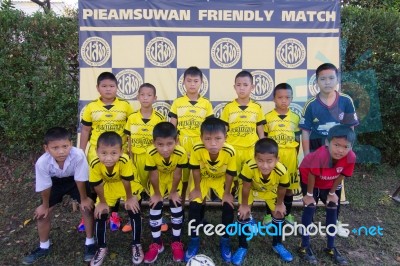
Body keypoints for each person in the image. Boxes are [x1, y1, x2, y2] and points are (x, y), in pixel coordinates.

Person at [299, 63, 359, 237]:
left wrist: (347, 152)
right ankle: (307, 224)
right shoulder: (311, 104)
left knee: (335, 187)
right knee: (312, 187)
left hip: (339, 151)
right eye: (322, 79)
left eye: (331, 78)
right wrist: (308, 155)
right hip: (318, 149)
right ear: (316, 81)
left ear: (337, 79)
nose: (327, 82)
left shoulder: (346, 101)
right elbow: (305, 131)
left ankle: (335, 222)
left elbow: (351, 129)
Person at [22, 127, 95, 265]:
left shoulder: (78, 154)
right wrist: (45, 206)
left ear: (71, 144)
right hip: (54, 182)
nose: (61, 151)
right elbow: (45, 185)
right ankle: (44, 246)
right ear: (46, 148)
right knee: (43, 214)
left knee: (86, 208)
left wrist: (84, 199)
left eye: (65, 146)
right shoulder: (42, 162)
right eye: (55, 148)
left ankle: (90, 242)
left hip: (75, 180)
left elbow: (80, 178)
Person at [79, 71, 134, 232]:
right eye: (104, 86)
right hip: (97, 153)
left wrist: (129, 150)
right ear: (97, 88)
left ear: (117, 88)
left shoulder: (125, 106)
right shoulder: (91, 107)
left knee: (115, 182)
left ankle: (114, 214)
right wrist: (81, 152)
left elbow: (131, 129)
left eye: (111, 86)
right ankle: (87, 216)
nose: (108, 89)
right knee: (95, 184)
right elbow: (85, 130)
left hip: (118, 152)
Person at [298, 124, 356, 265]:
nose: (340, 150)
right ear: (327, 143)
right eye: (336, 145)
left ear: (351, 147)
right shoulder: (321, 154)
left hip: (329, 181)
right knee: (310, 206)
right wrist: (309, 195)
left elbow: (342, 174)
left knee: (332, 206)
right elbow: (312, 174)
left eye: (345, 146)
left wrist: (331, 193)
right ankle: (304, 246)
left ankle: (330, 247)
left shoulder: (351, 157)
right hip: (309, 177)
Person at [232, 138, 293, 265]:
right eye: (260, 160)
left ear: (277, 159)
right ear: (255, 158)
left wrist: (280, 204)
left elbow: (282, 188)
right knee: (243, 215)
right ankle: (242, 246)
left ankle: (277, 244)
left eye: (269, 161)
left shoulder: (282, 170)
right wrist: (244, 205)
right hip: (251, 189)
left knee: (279, 214)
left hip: (270, 190)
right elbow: (246, 186)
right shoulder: (249, 166)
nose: (264, 165)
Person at [185, 117, 236, 263]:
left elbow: (230, 173)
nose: (213, 143)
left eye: (218, 138)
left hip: (221, 179)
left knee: (228, 206)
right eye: (207, 139)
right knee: (194, 204)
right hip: (203, 178)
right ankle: (194, 239)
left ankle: (225, 240)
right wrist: (196, 188)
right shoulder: (196, 148)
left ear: (225, 137)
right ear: (201, 138)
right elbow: (195, 169)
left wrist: (227, 193)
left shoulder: (230, 151)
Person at [89, 132, 144, 266]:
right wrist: (102, 202)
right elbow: (97, 183)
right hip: (108, 185)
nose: (108, 158)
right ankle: (101, 247)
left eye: (114, 153)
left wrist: (130, 198)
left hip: (128, 185)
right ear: (96, 151)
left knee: (134, 209)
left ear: (121, 151)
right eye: (104, 153)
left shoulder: (124, 160)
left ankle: (137, 244)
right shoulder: (95, 163)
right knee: (100, 213)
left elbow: (126, 181)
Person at [168, 66, 214, 209]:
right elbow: (172, 127)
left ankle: (200, 212)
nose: (192, 84)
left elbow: (209, 128)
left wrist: (205, 145)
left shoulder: (206, 103)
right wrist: (175, 145)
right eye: (189, 81)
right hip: (182, 144)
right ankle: (178, 212)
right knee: (182, 179)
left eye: (195, 81)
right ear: (183, 82)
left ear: (201, 83)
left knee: (200, 178)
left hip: (200, 145)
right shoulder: (177, 103)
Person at [122, 83, 165, 233]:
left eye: (149, 95)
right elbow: (127, 138)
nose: (145, 98)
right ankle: (133, 217)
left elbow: (163, 140)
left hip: (153, 159)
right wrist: (126, 154)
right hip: (136, 159)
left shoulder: (159, 118)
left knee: (155, 189)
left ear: (155, 98)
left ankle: (158, 218)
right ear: (137, 96)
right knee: (135, 189)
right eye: (142, 95)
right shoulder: (132, 117)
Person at [143, 122, 187, 263]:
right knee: (155, 205)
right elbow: (153, 175)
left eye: (169, 144)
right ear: (154, 142)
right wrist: (157, 194)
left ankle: (176, 241)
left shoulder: (181, 152)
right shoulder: (150, 152)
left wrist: (173, 191)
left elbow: (178, 174)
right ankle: (157, 243)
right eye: (160, 144)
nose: (165, 149)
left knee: (176, 203)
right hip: (159, 179)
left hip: (173, 178)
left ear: (176, 141)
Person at [221, 70, 265, 194]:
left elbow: (260, 131)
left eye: (245, 85)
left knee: (247, 180)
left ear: (252, 87)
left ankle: (245, 208)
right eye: (239, 85)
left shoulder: (257, 108)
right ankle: (230, 203)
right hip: (233, 150)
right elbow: (223, 131)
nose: (242, 88)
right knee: (231, 179)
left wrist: (261, 149)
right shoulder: (228, 108)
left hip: (250, 149)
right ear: (234, 87)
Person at [264, 83, 300, 227]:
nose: (283, 100)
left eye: (287, 97)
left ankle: (288, 214)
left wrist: (295, 157)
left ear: (291, 99)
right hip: (273, 157)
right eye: (280, 97)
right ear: (274, 99)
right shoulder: (268, 117)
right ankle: (268, 214)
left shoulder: (295, 118)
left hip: (290, 156)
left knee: (289, 187)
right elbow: (264, 140)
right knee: (271, 186)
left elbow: (298, 140)